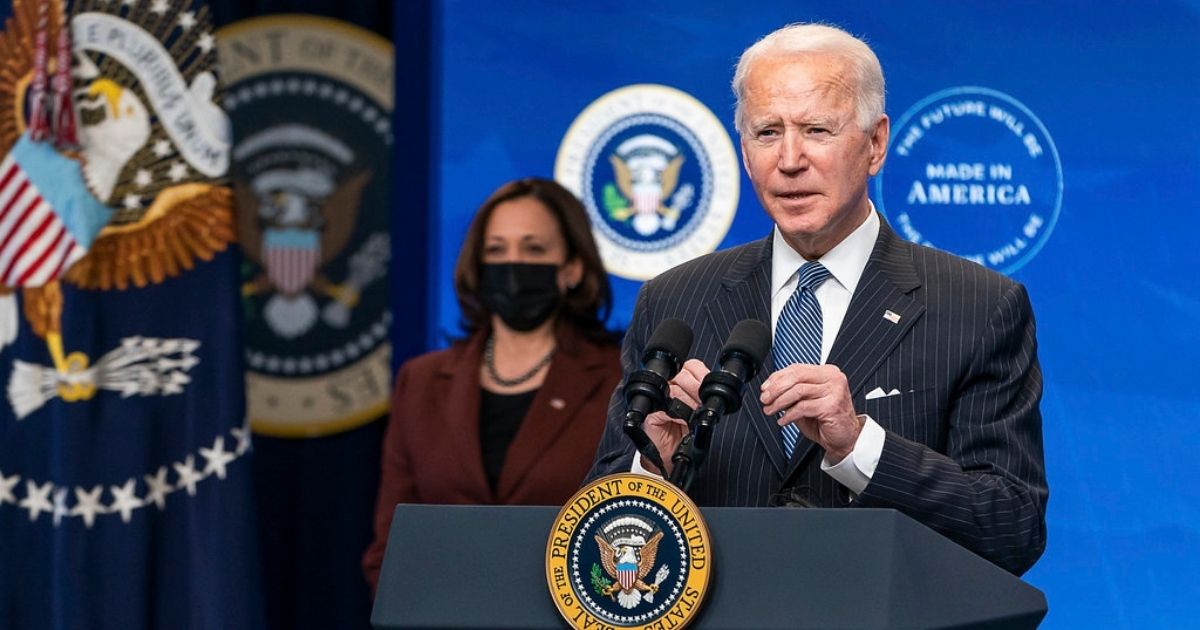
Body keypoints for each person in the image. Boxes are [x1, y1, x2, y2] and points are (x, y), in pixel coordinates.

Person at [587, 23, 1048, 575]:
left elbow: (1012, 527)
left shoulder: (977, 307)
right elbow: (595, 534)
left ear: (876, 143)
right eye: (767, 132)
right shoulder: (675, 300)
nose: (789, 159)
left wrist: (859, 447)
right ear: (743, 149)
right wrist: (651, 467)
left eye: (816, 130)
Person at [364, 178, 621, 590]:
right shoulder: (423, 381)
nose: (513, 264)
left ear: (572, 268)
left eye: (533, 249)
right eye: (497, 250)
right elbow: (389, 549)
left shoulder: (618, 380)